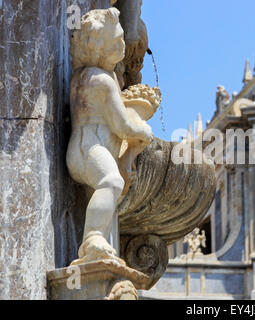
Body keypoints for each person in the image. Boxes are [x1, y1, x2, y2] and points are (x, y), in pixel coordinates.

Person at [67, 8, 153, 265]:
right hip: (88, 147)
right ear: (96, 48)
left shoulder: (84, 77)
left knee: (108, 185)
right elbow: (122, 124)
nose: (123, 47)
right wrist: (142, 130)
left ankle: (96, 236)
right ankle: (92, 238)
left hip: (86, 148)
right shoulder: (101, 80)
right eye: (116, 43)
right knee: (111, 183)